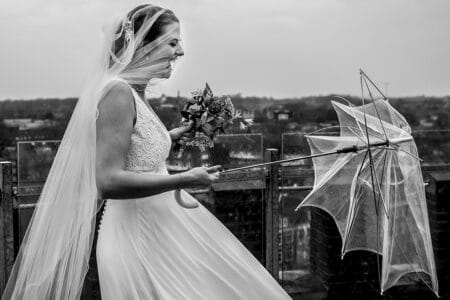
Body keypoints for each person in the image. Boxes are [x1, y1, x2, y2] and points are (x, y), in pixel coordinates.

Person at [2, 4, 291, 300]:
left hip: (160, 229)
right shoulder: (118, 92)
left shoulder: (134, 91)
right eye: (173, 42)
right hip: (136, 237)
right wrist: (184, 179)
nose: (181, 52)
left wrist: (168, 136)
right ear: (145, 46)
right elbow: (107, 180)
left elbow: (133, 151)